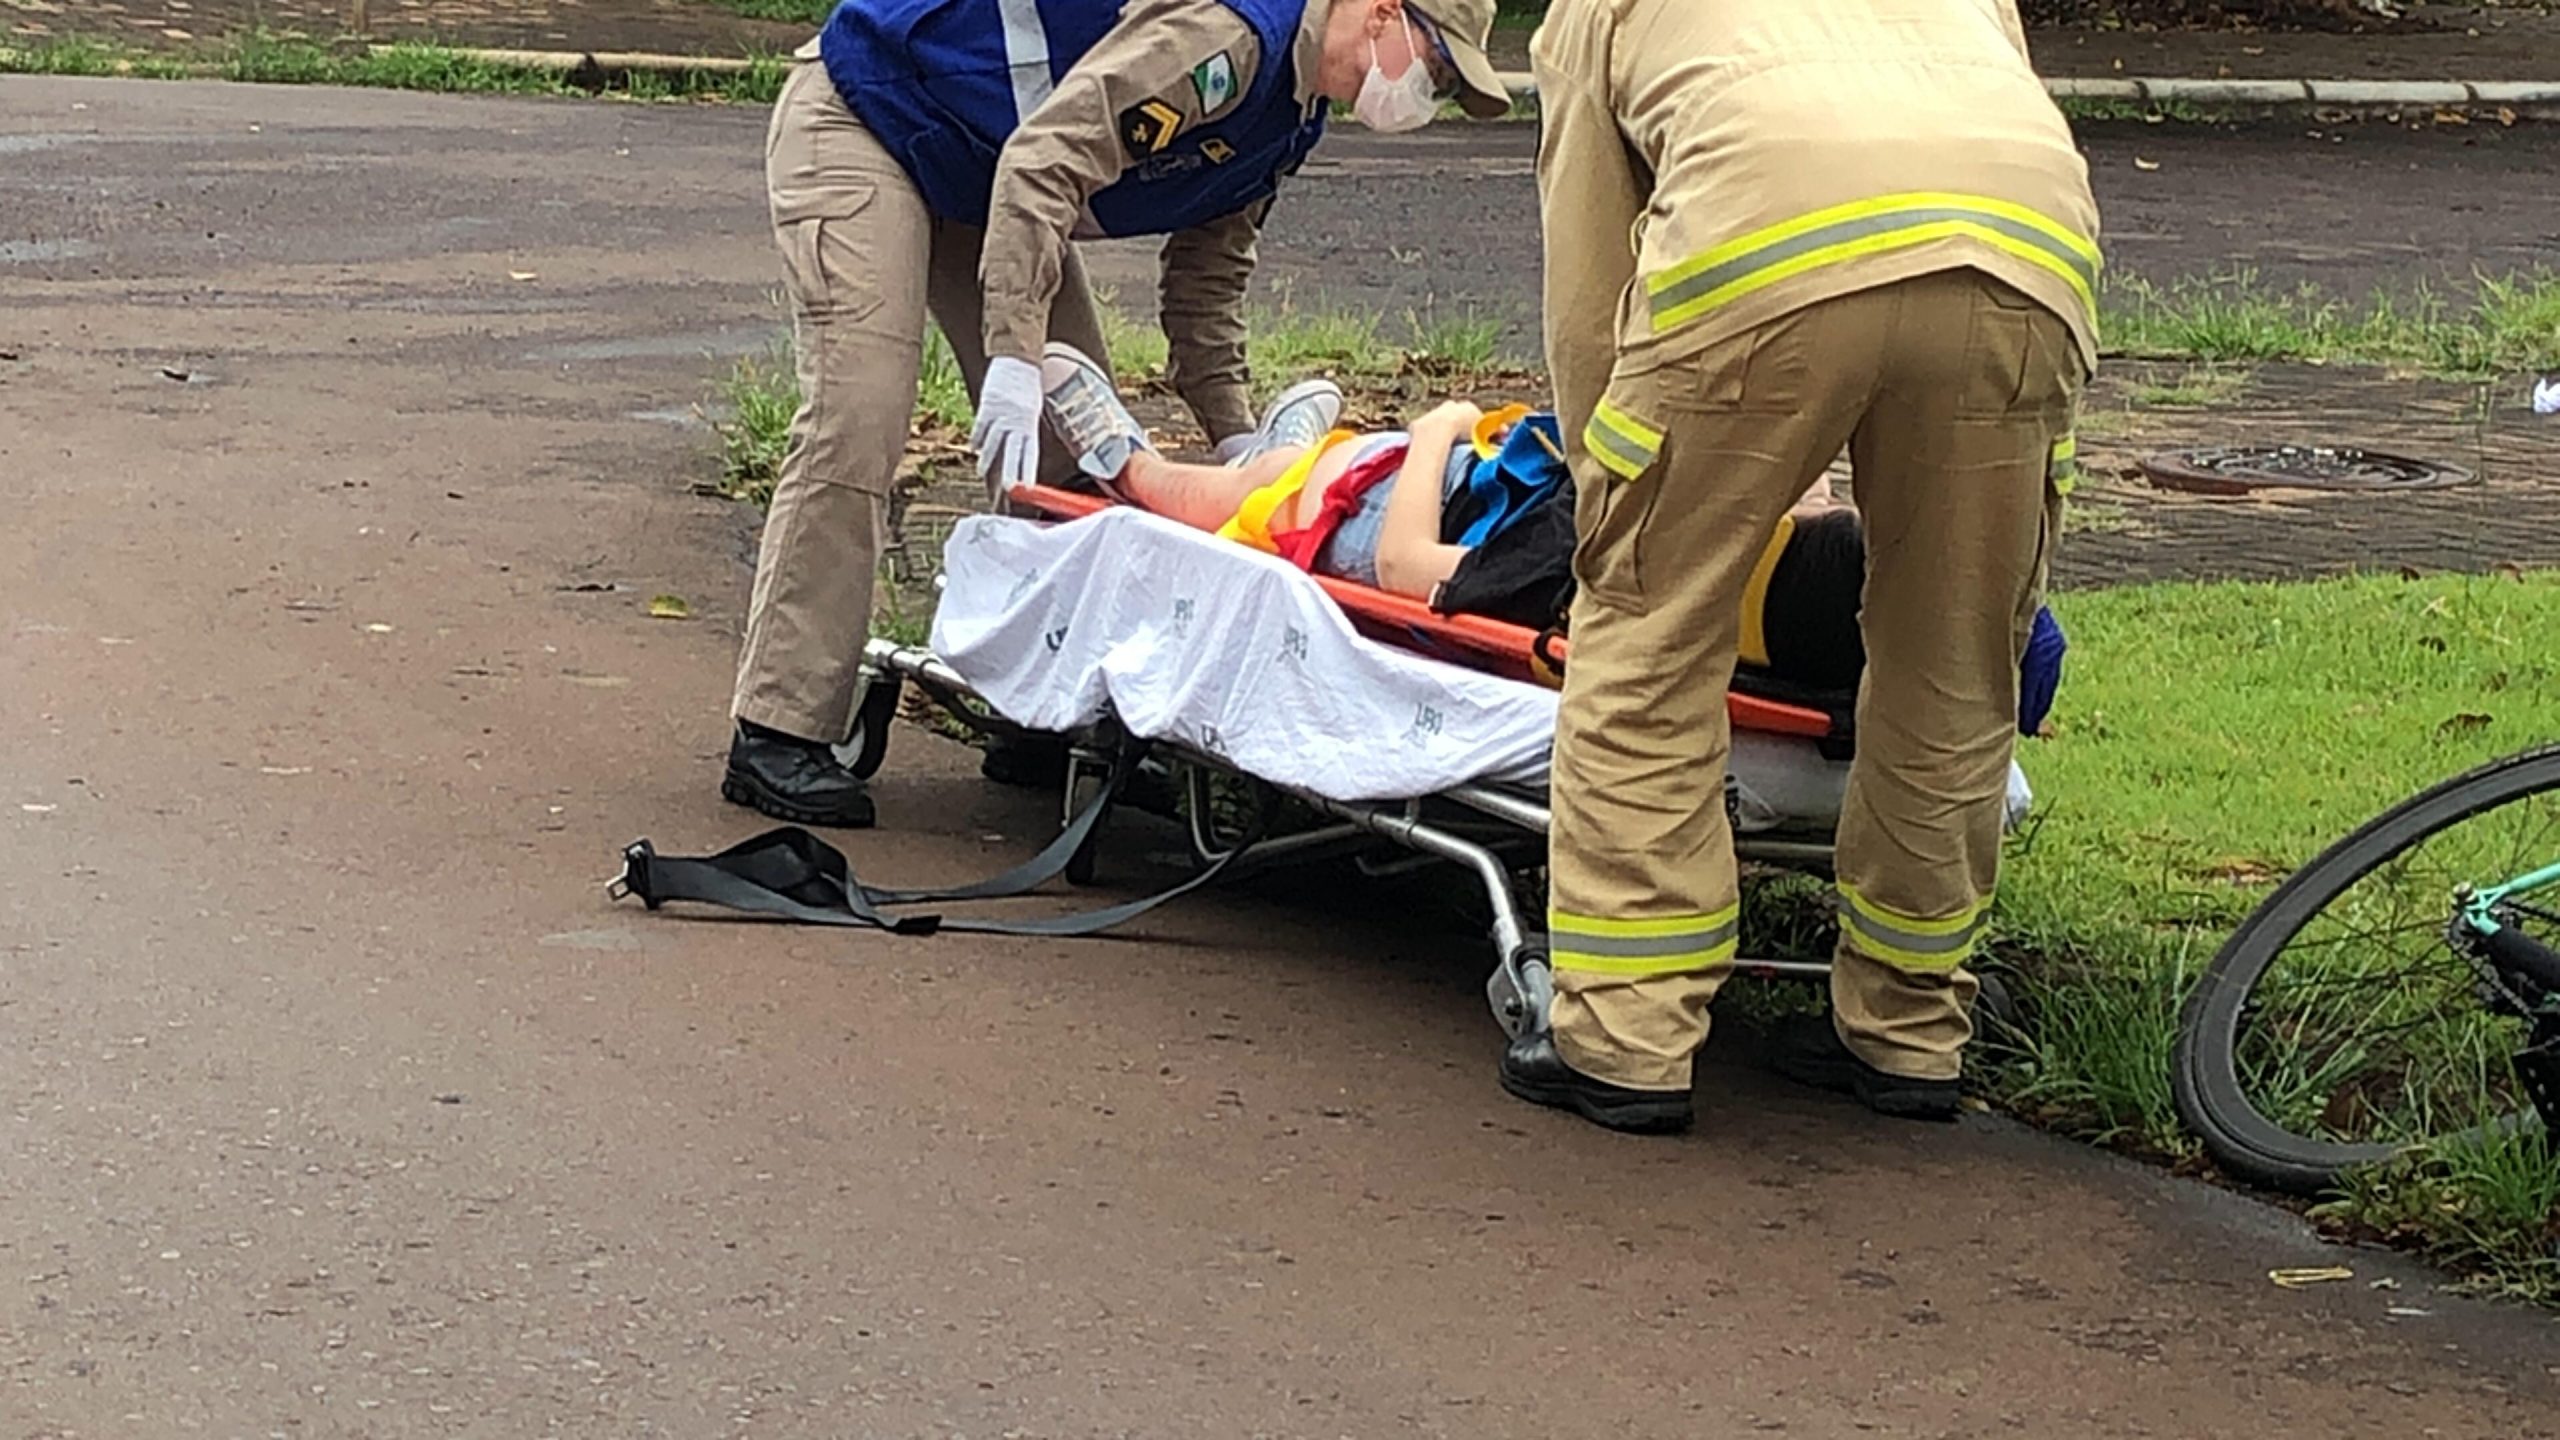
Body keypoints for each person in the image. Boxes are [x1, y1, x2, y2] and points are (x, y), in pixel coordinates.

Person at [1502, 0, 2102, 1135]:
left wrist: (1612, 488)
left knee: (1649, 629)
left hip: (1763, 242)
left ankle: (1626, 1039)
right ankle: (1910, 1030)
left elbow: (1589, 278)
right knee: (1956, 659)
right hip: (2027, 258)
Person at [722, 0, 1511, 830]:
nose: (1428, 93)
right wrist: (1014, 360)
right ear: (1385, 10)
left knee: (1077, 462)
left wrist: (1238, 444)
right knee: (863, 410)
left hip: (986, 172)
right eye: (1437, 66)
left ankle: (1032, 716)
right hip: (869, 117)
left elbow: (1208, 281)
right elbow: (1045, 160)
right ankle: (780, 726)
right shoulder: (1233, 36)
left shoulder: (1291, 116)